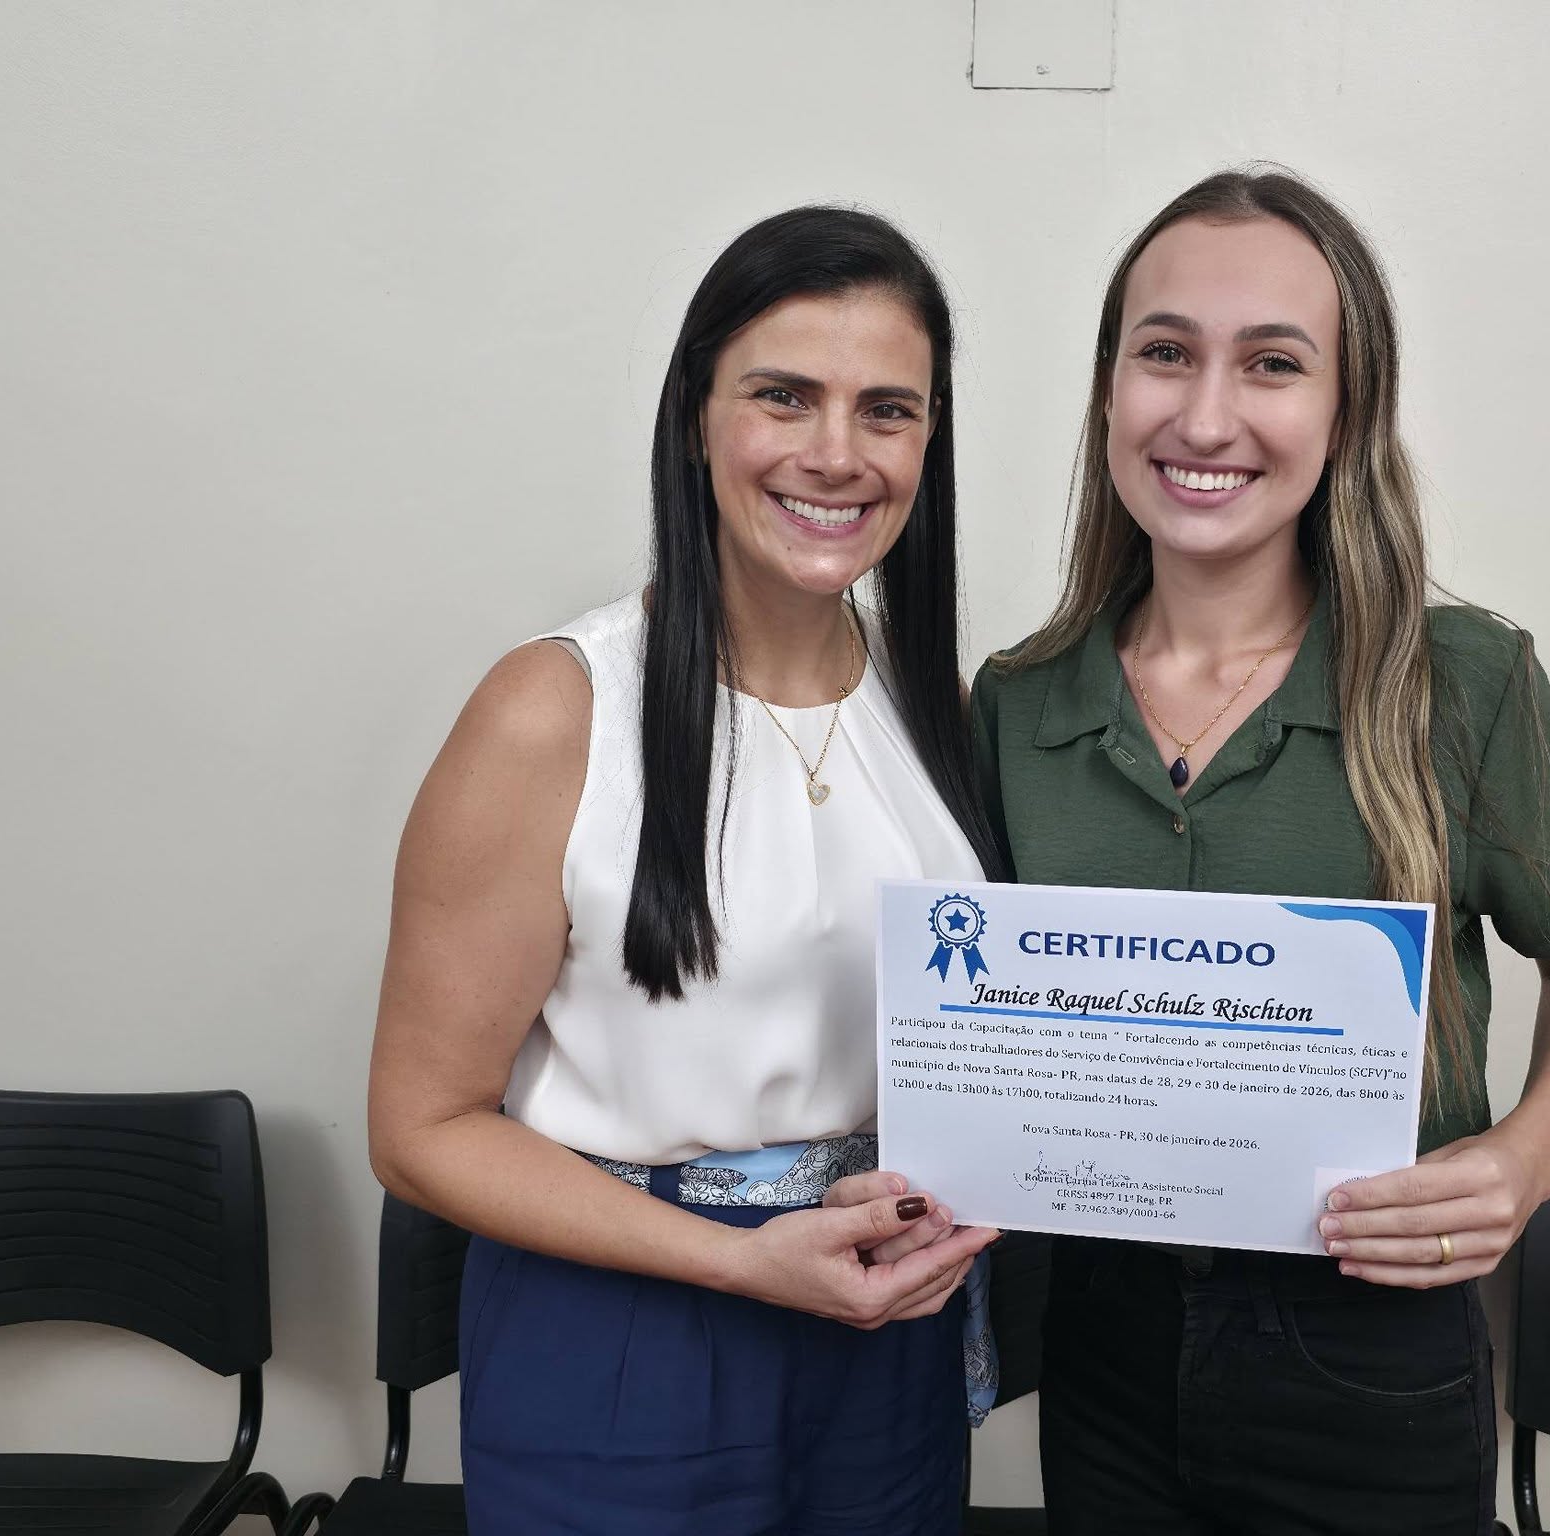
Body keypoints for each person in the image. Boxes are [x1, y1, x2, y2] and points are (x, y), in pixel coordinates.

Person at [970, 168, 1550, 1535]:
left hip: (1371, 1347)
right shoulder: (1014, 704)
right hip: (1103, 1336)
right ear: (1108, 390)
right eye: (1166, 353)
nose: (1205, 416)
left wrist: (1526, 1157)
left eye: (1272, 364)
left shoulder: (1462, 685)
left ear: (1347, 411)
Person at [368, 205, 1002, 1536]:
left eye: (888, 410)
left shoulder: (940, 707)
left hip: (880, 1325)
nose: (838, 453)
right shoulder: (554, 710)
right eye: (784, 396)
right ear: (695, 416)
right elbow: (420, 1130)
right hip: (622, 1334)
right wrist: (742, 1262)